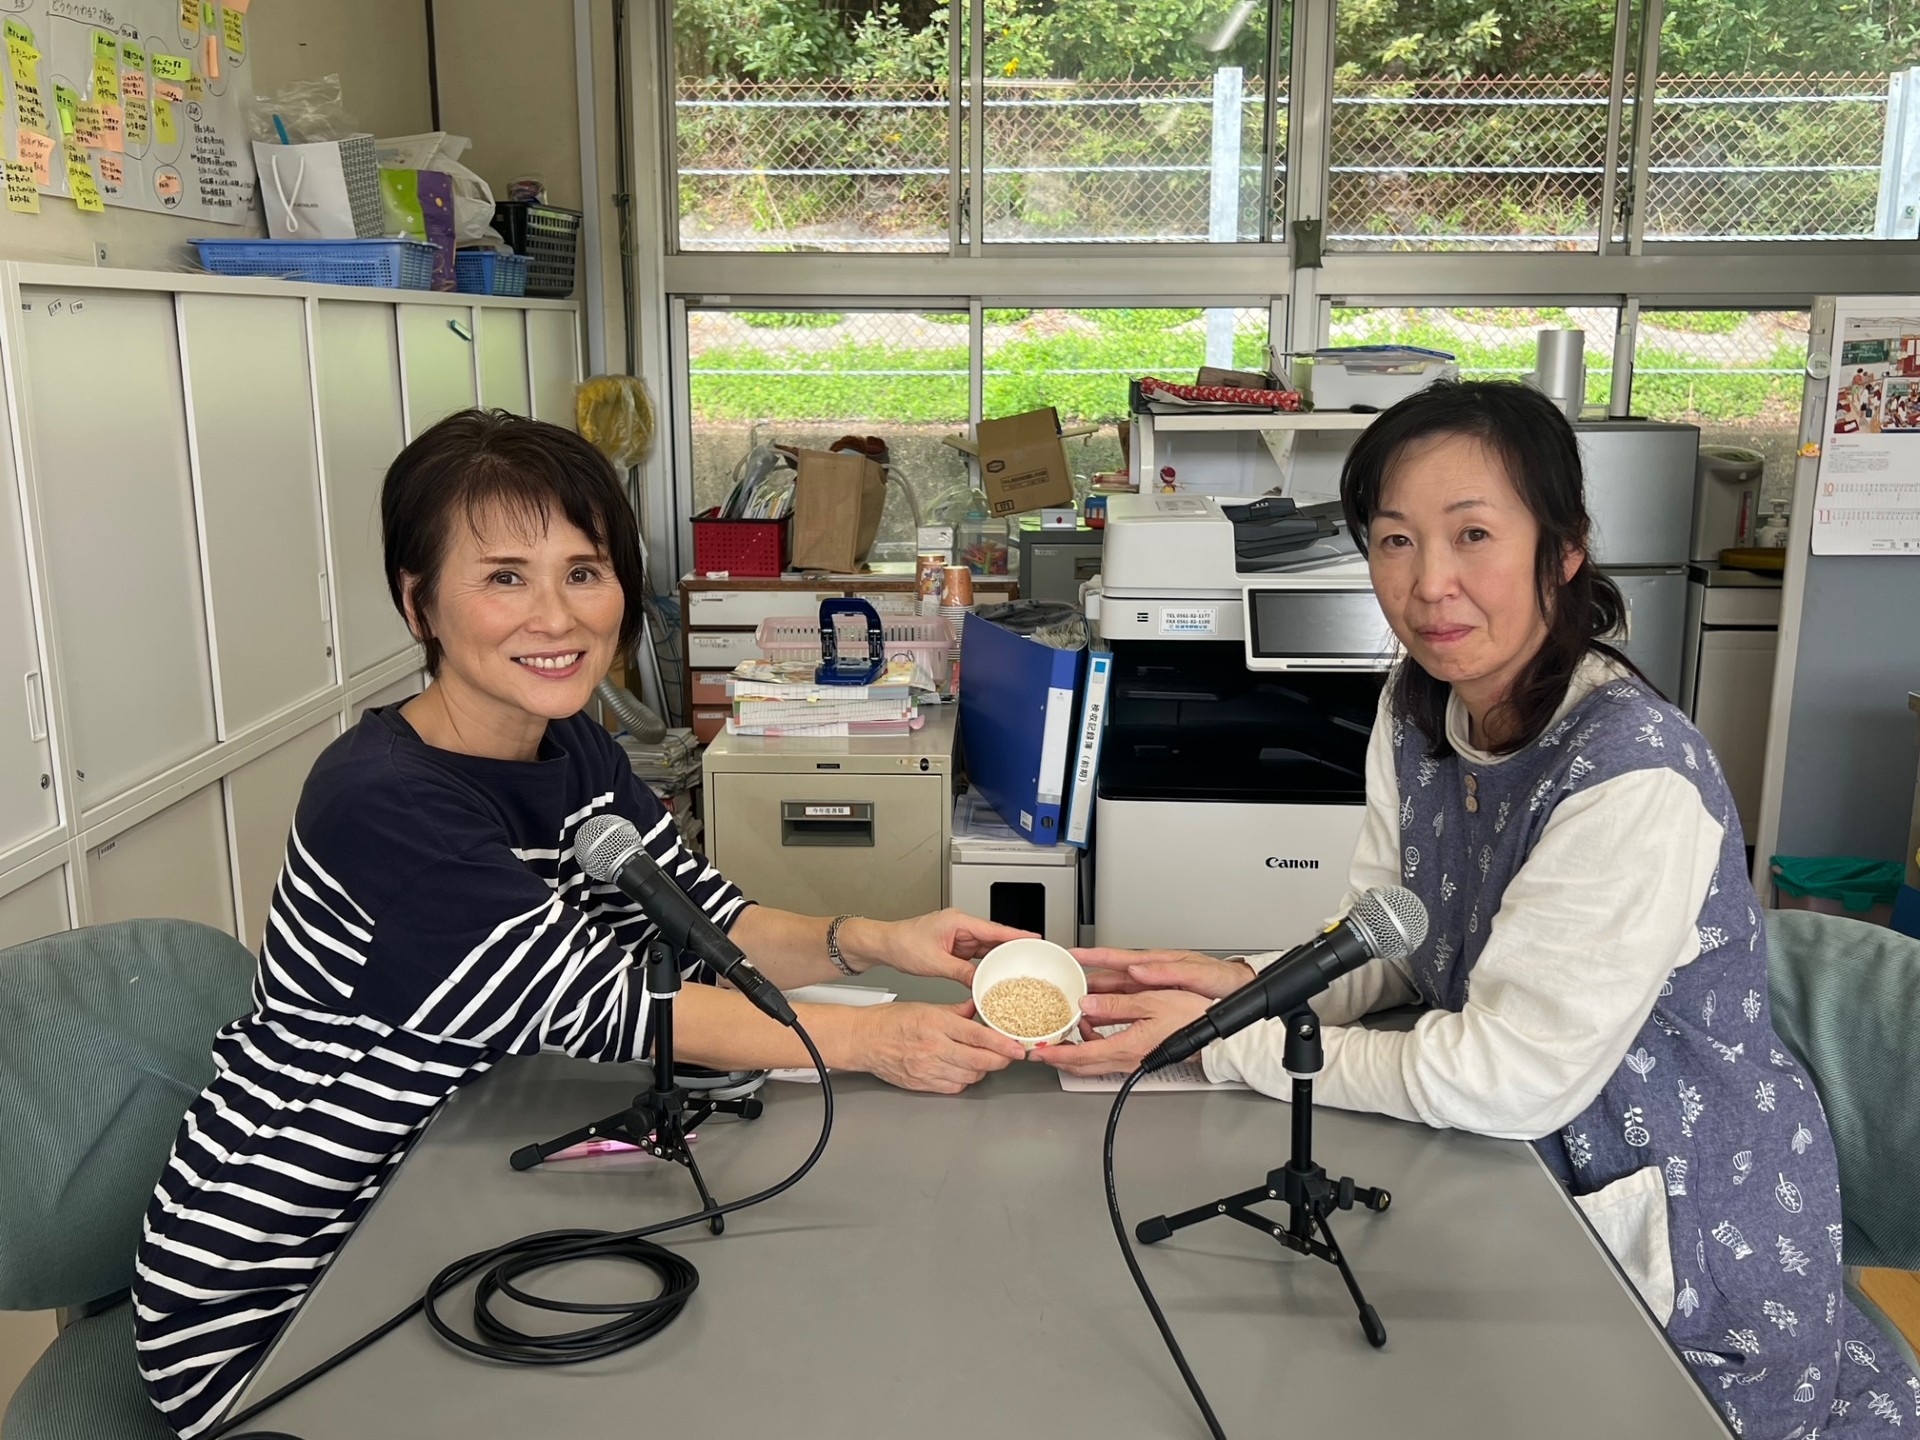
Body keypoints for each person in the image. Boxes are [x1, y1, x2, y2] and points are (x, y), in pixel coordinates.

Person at [1040, 381, 1917, 1437]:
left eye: (1473, 536)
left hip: (1680, 1232)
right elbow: (1392, 934)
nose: (1428, 584)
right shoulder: (1419, 705)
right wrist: (1250, 992)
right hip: (1507, 1173)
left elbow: (1510, 1077)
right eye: (1395, 540)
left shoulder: (1632, 777)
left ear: (1565, 549)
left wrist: (1228, 1050)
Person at [132, 410, 1029, 1437]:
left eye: (584, 571)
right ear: (418, 601)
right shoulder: (382, 801)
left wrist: (876, 938)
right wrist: (887, 1039)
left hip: (462, 1184)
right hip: (290, 1281)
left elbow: (698, 919)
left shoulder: (574, 749)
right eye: (504, 577)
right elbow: (604, 1006)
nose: (555, 618)